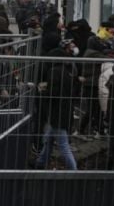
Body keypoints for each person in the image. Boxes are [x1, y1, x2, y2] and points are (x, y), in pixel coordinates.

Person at [35, 39, 79, 170]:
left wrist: (43, 91)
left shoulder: (54, 71)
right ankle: (40, 163)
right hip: (65, 109)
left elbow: (54, 92)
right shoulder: (68, 71)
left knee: (63, 146)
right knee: (48, 140)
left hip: (57, 112)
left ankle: (74, 171)